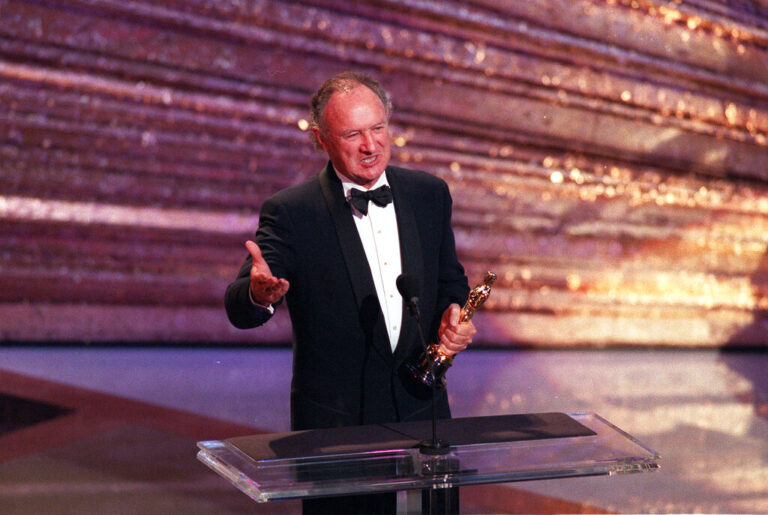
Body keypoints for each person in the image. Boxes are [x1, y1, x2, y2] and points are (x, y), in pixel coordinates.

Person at [225, 71, 476, 514]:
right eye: (353, 133)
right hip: (337, 420)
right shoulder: (292, 212)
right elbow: (240, 306)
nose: (370, 145)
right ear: (321, 139)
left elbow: (450, 279)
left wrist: (454, 314)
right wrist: (260, 294)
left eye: (378, 128)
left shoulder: (428, 194)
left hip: (424, 408)